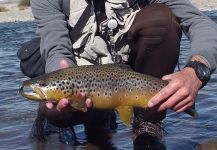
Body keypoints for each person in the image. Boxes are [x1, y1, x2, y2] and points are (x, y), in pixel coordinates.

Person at [29, 0, 217, 149]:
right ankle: (94, 118)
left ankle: (148, 123)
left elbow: (199, 23)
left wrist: (196, 71)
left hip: (128, 76)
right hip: (82, 79)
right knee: (54, 110)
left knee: (161, 20)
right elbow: (55, 46)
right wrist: (59, 71)